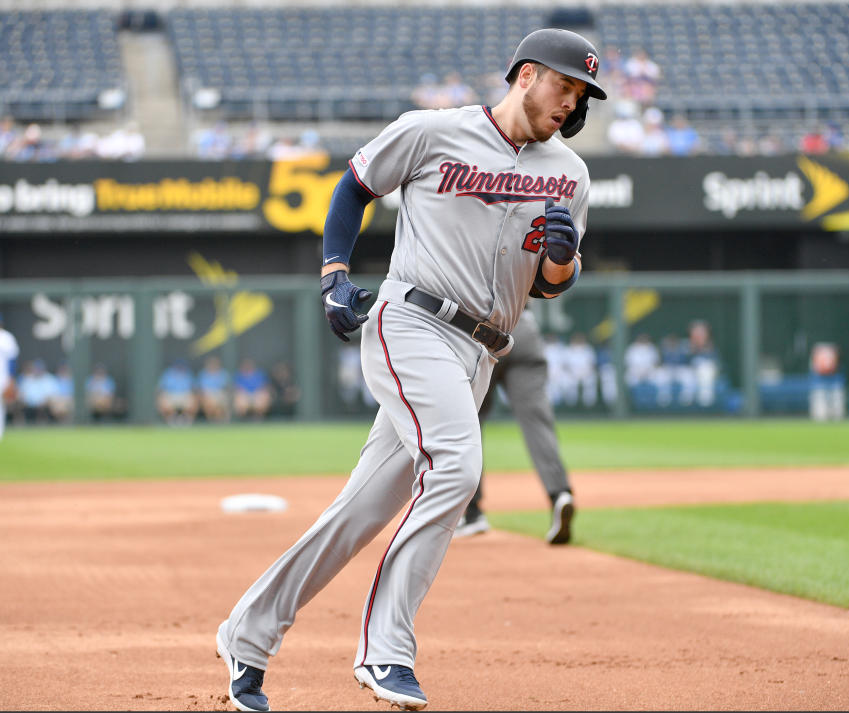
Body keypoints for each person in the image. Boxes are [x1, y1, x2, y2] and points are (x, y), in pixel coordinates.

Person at [215, 27, 605, 713]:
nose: (571, 104)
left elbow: (547, 286)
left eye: (581, 96)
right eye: (565, 86)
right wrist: (336, 274)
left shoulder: (570, 174)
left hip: (483, 349)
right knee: (458, 464)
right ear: (526, 75)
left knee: (357, 512)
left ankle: (245, 634)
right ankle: (386, 649)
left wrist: (564, 260)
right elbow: (353, 188)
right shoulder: (433, 132)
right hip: (412, 321)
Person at [453, 308, 575, 544]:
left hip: (481, 331)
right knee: (537, 422)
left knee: (469, 422)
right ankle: (559, 494)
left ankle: (473, 512)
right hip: (525, 327)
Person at [156, 358, 197, 425]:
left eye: (181, 366)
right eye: (178, 366)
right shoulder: (168, 374)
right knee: (162, 399)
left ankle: (187, 420)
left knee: (193, 399)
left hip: (185, 395)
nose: (179, 367)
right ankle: (171, 420)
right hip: (171, 395)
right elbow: (161, 389)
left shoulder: (188, 374)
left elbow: (194, 389)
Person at [0, 313, 20, 440]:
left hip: (3, 377)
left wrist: (11, 380)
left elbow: (12, 360)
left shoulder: (6, 337)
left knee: (1, 406)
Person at [196, 355, 230, 423]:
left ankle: (224, 421)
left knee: (222, 401)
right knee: (208, 401)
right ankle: (211, 421)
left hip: (220, 394)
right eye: (211, 363)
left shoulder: (223, 374)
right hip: (207, 395)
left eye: (214, 363)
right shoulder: (203, 374)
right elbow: (199, 389)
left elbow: (227, 388)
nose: (213, 365)